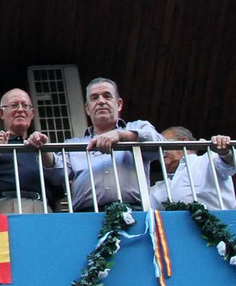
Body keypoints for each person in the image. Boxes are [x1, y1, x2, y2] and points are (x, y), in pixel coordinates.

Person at [46, 78, 161, 211]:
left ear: (119, 104)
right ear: (87, 109)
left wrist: (121, 135)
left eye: (107, 96)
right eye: (94, 98)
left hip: (134, 212)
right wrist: (43, 149)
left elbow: (159, 147)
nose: (101, 101)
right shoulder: (72, 145)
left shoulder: (138, 127)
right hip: (86, 216)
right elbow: (57, 175)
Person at [0, 89, 52, 214]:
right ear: (1, 113)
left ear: (32, 113)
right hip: (6, 206)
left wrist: (45, 149)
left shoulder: (41, 144)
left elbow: (58, 184)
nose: (20, 110)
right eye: (14, 105)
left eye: (25, 106)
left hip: (44, 207)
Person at [148, 126, 236, 209]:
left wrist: (224, 150)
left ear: (184, 141)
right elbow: (141, 203)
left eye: (163, 145)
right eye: (157, 149)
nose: (160, 153)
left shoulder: (207, 160)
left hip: (220, 226)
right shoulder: (161, 187)